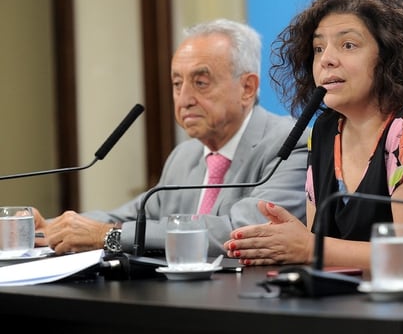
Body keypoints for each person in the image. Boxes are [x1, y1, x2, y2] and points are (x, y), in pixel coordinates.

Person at [223, 0, 403, 269]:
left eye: (348, 45)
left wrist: (308, 247)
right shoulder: (326, 130)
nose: (326, 60)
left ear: (388, 56)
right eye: (318, 48)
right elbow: (322, 254)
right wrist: (289, 246)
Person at [33, 18, 309, 257]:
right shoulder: (185, 155)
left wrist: (109, 236)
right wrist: (51, 227)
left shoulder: (291, 144)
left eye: (201, 83)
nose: (185, 99)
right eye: (177, 84)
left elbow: (243, 231)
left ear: (247, 88)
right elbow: (131, 217)